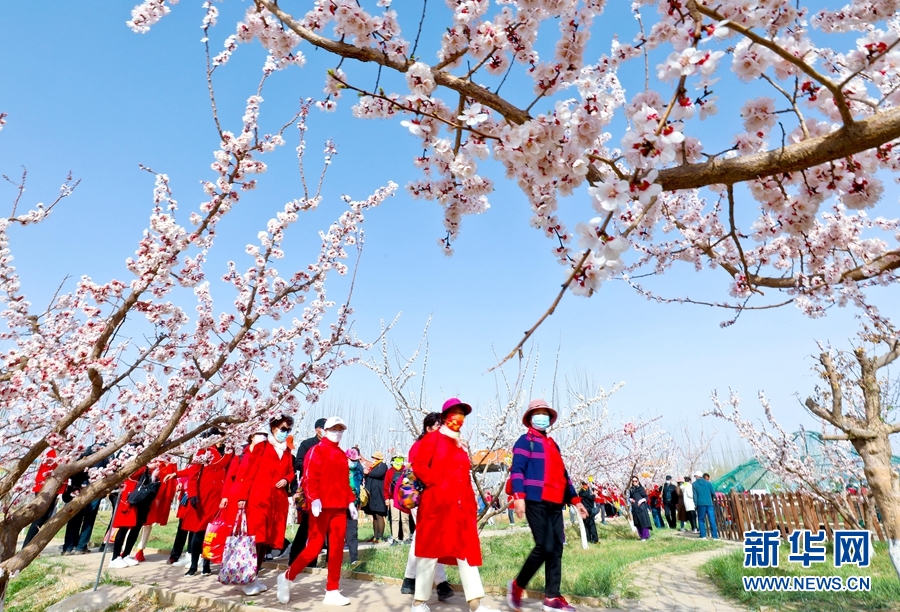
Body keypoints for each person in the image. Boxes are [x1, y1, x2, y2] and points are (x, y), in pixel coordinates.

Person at [410, 398, 499, 612]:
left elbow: (464, 478)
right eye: (454, 412)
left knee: (465, 552)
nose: (458, 417)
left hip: (460, 510)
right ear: (444, 417)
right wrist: (436, 485)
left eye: (462, 413)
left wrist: (470, 504)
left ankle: (476, 604)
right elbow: (419, 464)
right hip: (435, 506)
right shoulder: (433, 440)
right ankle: (419, 602)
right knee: (429, 553)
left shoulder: (460, 446)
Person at [507, 399, 587, 612]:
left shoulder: (552, 444)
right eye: (537, 413)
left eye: (545, 413)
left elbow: (564, 475)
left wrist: (576, 500)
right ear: (530, 418)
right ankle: (518, 585)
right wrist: (519, 496)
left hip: (555, 501)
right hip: (535, 498)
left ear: (549, 419)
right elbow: (517, 470)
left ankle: (552, 597)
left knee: (556, 548)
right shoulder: (525, 441)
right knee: (545, 545)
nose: (542, 416)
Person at [277, 417, 355, 606]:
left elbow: (344, 482)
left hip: (338, 507)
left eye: (340, 430)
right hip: (321, 507)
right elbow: (310, 477)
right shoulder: (316, 450)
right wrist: (314, 499)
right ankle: (287, 577)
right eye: (334, 429)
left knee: (336, 549)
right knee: (314, 547)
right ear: (325, 430)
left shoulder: (341, 455)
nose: (337, 432)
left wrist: (351, 502)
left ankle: (332, 590)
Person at [223, 415, 296, 596]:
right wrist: (242, 496)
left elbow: (291, 472)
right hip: (258, 499)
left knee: (266, 542)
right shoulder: (261, 447)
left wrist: (286, 479)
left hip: (276, 503)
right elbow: (248, 472)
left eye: (288, 429)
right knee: (255, 539)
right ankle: (246, 578)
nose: (285, 433)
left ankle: (253, 577)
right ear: (273, 428)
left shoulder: (286, 451)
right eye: (283, 429)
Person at [401, 412, 453, 602]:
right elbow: (421, 470)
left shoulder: (440, 445)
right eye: (438, 426)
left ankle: (411, 580)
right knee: (427, 537)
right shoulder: (421, 446)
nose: (442, 429)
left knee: (425, 536)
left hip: (434, 497)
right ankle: (440, 584)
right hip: (420, 497)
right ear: (428, 428)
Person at [177, 432, 233, 576]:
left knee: (213, 531)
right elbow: (193, 474)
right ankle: (194, 565)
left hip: (220, 496)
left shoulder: (230, 451)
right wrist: (193, 494)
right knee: (199, 530)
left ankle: (207, 563)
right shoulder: (205, 450)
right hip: (204, 495)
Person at [288, 417, 326, 565]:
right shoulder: (307, 444)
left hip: (325, 490)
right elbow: (298, 463)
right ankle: (294, 557)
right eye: (325, 428)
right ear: (318, 429)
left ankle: (312, 561)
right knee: (307, 524)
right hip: (309, 489)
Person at [108, 462, 161, 568]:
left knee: (136, 528)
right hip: (129, 498)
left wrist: (154, 475)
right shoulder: (136, 460)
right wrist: (146, 466)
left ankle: (126, 554)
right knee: (124, 528)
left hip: (141, 500)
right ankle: (115, 557)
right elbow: (130, 472)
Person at [61, 445, 108, 555]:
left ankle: (68, 547)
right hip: (95, 490)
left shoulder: (83, 451)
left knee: (74, 518)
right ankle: (81, 547)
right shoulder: (107, 453)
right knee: (89, 520)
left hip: (78, 489)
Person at [22, 449, 67, 550]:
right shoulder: (52, 454)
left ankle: (31, 545)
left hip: (52, 489)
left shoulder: (60, 454)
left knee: (45, 517)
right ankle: (27, 546)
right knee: (40, 518)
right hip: (46, 489)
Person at [364, 451, 388, 542]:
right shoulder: (373, 467)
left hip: (379, 494)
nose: (373, 459)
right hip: (372, 494)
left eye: (374, 458)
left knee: (379, 515)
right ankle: (375, 536)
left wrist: (368, 473)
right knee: (374, 515)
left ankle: (380, 536)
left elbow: (379, 474)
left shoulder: (382, 465)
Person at [386, 455, 411, 544]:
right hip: (393, 498)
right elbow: (386, 485)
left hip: (404, 498)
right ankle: (395, 538)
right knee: (395, 519)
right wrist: (386, 498)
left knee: (405, 519)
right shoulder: (390, 472)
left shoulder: (406, 470)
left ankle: (406, 537)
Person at [346, 448, 365, 564]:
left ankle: (354, 559)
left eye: (355, 460)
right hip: (340, 505)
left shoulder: (359, 469)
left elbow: (360, 486)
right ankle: (330, 560)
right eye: (351, 460)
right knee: (336, 534)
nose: (354, 462)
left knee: (352, 533)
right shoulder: (339, 469)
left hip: (354, 504)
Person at [692, 472, 718, 539]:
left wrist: (695, 504)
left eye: (695, 476)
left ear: (698, 476)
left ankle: (703, 536)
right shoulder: (708, 483)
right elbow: (713, 493)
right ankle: (715, 536)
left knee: (701, 519)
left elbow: (695, 496)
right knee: (712, 519)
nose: (695, 477)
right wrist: (711, 499)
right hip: (709, 503)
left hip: (700, 504)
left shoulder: (694, 484)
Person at [628, 476, 652, 542]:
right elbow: (630, 497)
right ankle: (641, 536)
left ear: (638, 481)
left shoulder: (641, 489)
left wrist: (641, 500)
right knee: (637, 523)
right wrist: (630, 499)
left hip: (641, 508)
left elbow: (646, 497)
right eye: (633, 481)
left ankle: (645, 536)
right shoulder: (631, 489)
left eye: (636, 481)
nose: (634, 482)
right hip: (635, 508)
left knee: (643, 522)